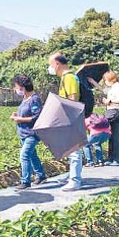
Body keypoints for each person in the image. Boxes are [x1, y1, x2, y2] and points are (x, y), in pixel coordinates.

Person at [48, 53, 83, 191]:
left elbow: (73, 99)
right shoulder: (65, 78)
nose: (50, 68)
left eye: (51, 64)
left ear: (57, 64)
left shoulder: (69, 78)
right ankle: (72, 177)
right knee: (70, 150)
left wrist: (68, 117)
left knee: (74, 150)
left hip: (71, 117)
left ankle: (75, 180)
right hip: (67, 117)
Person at [10, 74, 47, 190]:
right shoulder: (25, 99)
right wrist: (17, 115)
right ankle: (41, 175)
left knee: (24, 155)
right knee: (32, 155)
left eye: (17, 87)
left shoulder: (34, 99)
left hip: (32, 133)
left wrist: (19, 119)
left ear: (22, 87)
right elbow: (26, 113)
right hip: (23, 133)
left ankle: (25, 181)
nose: (16, 90)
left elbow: (36, 117)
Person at [89, 70, 119, 166]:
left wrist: (108, 102)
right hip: (113, 115)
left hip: (118, 115)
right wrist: (93, 82)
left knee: (118, 138)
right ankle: (112, 158)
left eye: (106, 80)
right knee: (112, 137)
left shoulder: (118, 87)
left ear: (111, 79)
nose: (105, 82)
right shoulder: (112, 87)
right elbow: (103, 90)